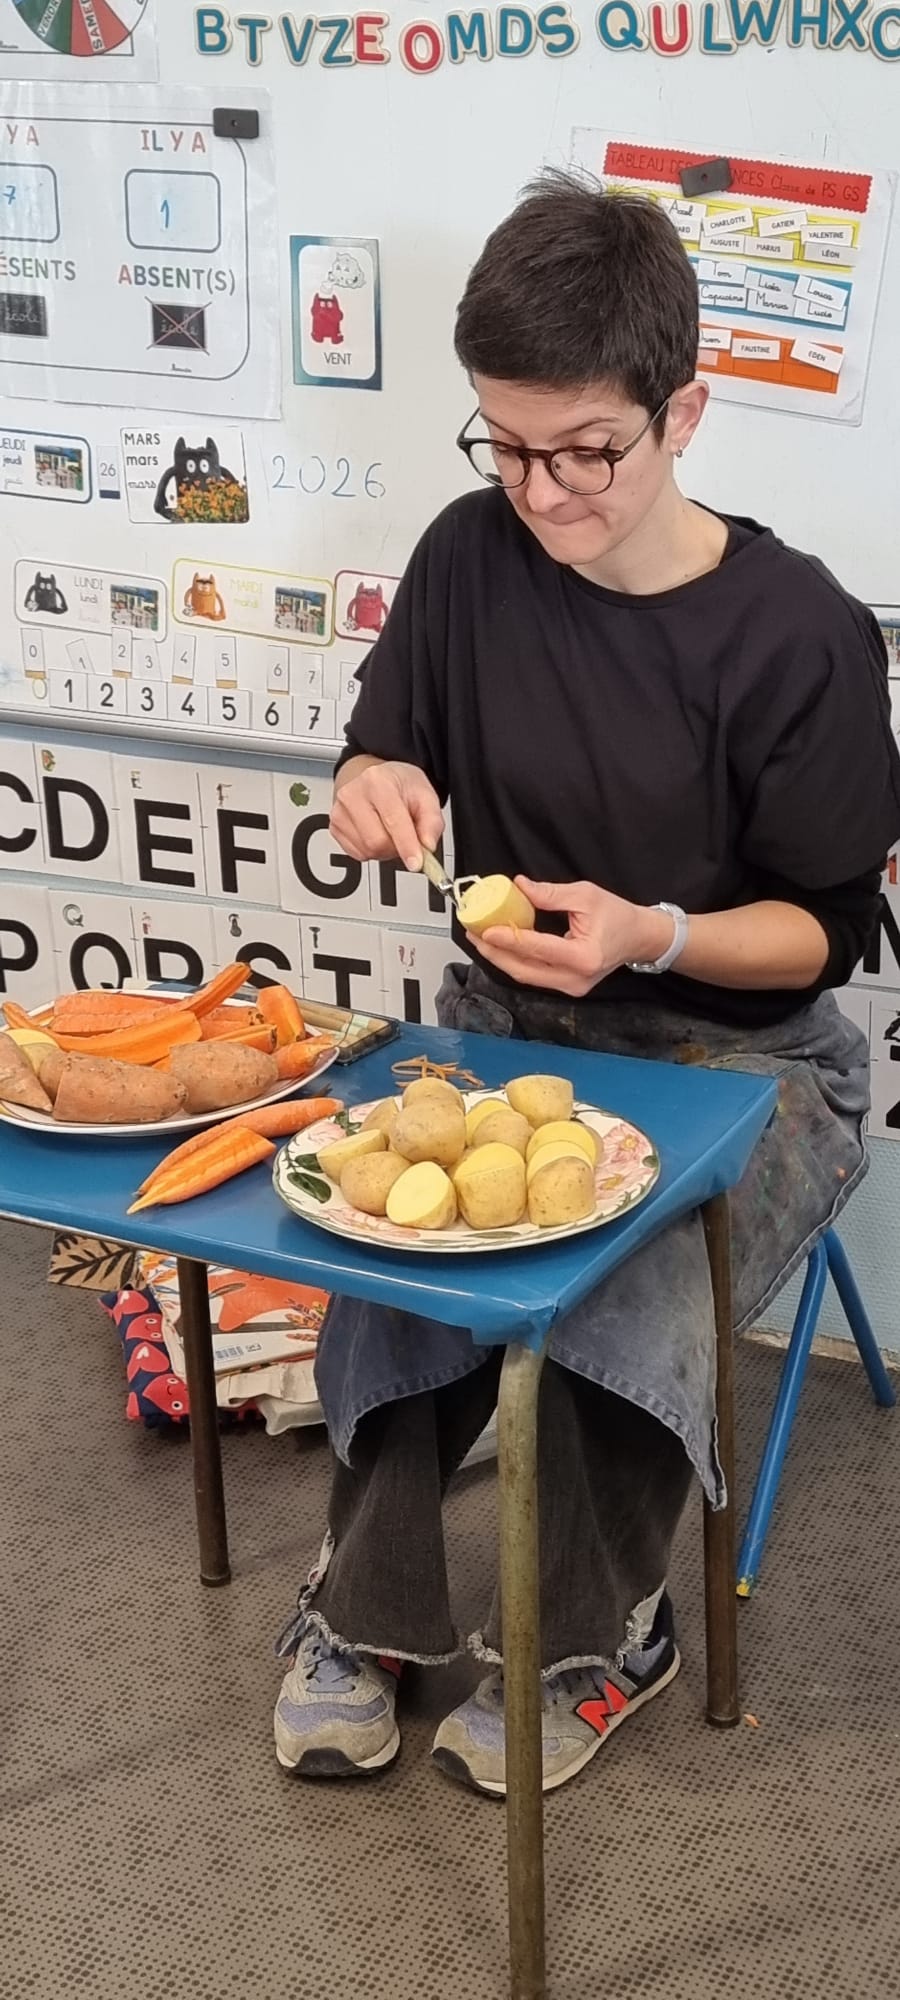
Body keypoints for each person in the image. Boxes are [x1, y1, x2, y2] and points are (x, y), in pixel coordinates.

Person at [274, 172, 900, 1796]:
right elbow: (377, 747)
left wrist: (653, 933)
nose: (540, 492)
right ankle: (364, 1609)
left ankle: (595, 1632)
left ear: (682, 410)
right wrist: (372, 782)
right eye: (506, 445)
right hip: (512, 1027)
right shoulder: (469, 556)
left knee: (621, 1281)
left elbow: (824, 938)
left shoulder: (802, 634)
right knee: (388, 1231)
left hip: (746, 1060)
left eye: (584, 452)